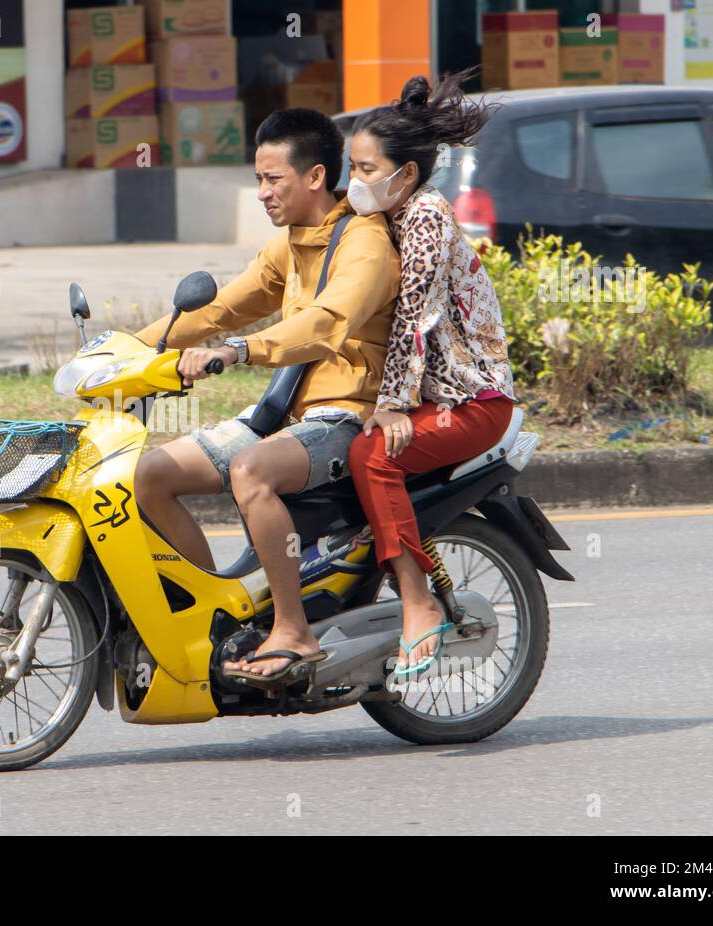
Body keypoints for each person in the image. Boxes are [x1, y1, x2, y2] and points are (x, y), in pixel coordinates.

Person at [133, 108, 400, 684]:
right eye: (258, 179)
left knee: (250, 472)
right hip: (284, 414)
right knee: (151, 473)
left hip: (344, 415)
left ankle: (293, 630)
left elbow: (327, 322)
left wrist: (238, 351)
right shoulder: (291, 245)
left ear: (314, 177)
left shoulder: (365, 243)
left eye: (272, 179)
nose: (260, 193)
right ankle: (216, 619)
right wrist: (129, 348)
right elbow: (220, 308)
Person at [343, 71, 517, 677]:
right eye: (350, 167)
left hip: (474, 402)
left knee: (373, 454)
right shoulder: (391, 214)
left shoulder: (424, 218)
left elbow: (413, 317)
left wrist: (390, 404)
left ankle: (417, 604)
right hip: (439, 395)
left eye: (365, 169)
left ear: (406, 172)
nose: (353, 182)